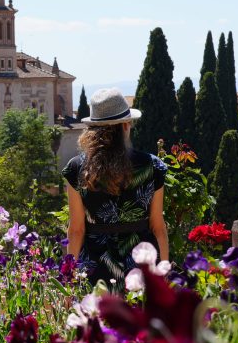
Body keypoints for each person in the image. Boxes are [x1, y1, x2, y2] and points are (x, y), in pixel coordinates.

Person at [62, 87, 169, 289]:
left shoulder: (77, 169)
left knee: (98, 319)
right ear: (126, 125)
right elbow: (158, 227)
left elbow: (76, 230)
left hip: (96, 268)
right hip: (141, 264)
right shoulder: (152, 166)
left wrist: (68, 279)